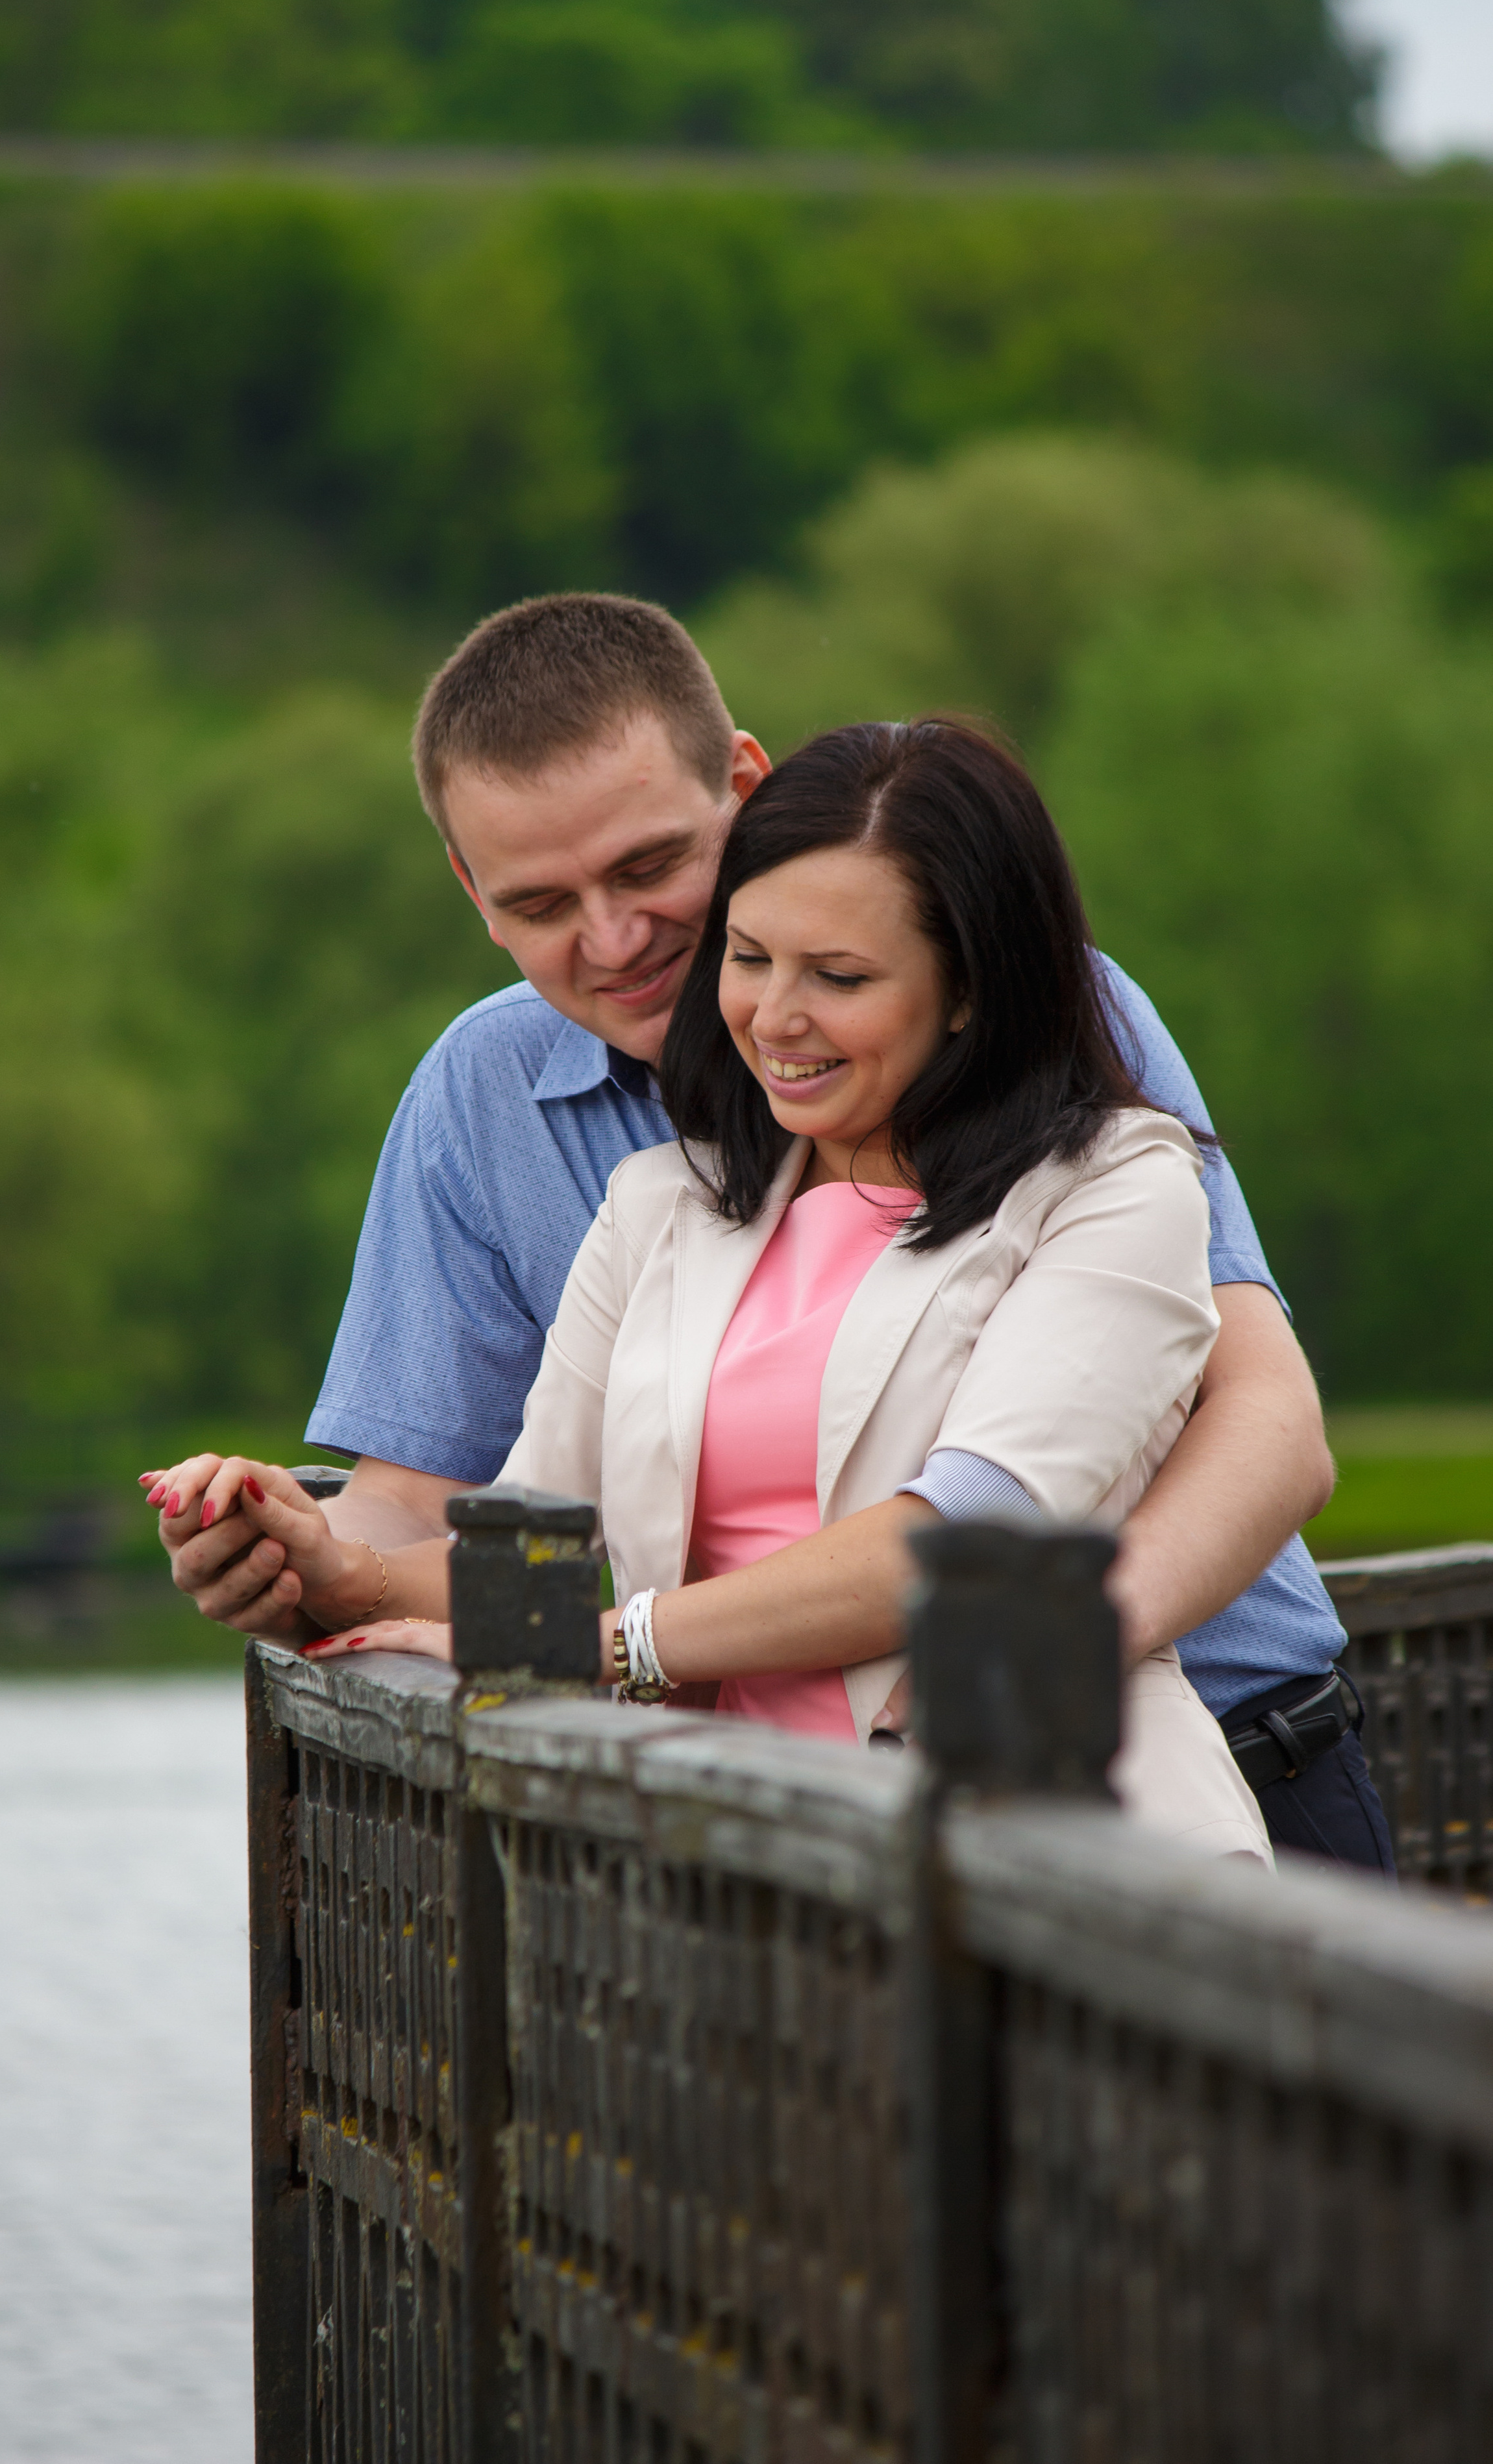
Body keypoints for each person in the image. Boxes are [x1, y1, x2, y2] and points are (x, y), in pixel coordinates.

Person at [148, 594, 1390, 1873]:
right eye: (539, 902)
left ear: (741, 787)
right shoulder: (562, 1141)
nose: (614, 940)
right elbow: (457, 1515)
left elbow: (1267, 1431)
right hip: (783, 1837)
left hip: (1186, 1759)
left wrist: (1032, 1660)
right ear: (470, 892)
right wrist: (306, 1562)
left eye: (645, 868)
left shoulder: (1054, 1042)